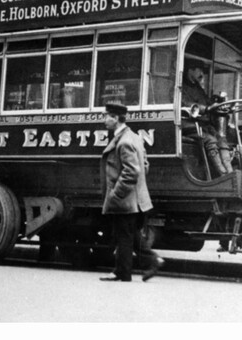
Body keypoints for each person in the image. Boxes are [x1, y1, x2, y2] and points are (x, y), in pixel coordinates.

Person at [99, 102, 164, 282]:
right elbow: (145, 165)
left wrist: (117, 194)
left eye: (107, 116)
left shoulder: (125, 141)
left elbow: (132, 171)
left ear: (115, 118)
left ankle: (126, 272)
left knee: (124, 236)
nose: (104, 120)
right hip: (135, 198)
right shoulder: (134, 137)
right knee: (127, 235)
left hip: (125, 199)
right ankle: (145, 263)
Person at [180, 61, 232, 176]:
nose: (202, 74)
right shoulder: (181, 88)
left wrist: (218, 103)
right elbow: (186, 103)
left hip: (202, 126)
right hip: (189, 126)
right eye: (200, 70)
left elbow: (208, 102)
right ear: (190, 71)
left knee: (221, 139)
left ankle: (229, 171)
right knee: (211, 140)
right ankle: (222, 173)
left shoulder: (198, 88)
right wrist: (207, 108)